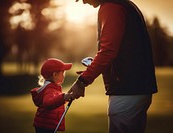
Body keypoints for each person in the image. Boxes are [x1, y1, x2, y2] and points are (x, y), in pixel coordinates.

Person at [68, 0, 158, 133]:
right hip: (136, 90)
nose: (83, 2)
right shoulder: (124, 4)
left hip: (126, 92)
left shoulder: (111, 6)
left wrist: (81, 82)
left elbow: (108, 51)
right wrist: (96, 66)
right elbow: (123, 51)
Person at [30, 58, 72, 133]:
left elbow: (55, 100)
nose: (64, 75)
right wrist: (64, 97)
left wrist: (65, 98)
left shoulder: (52, 87)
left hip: (45, 125)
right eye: (63, 73)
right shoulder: (50, 89)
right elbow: (48, 104)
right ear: (55, 75)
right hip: (45, 127)